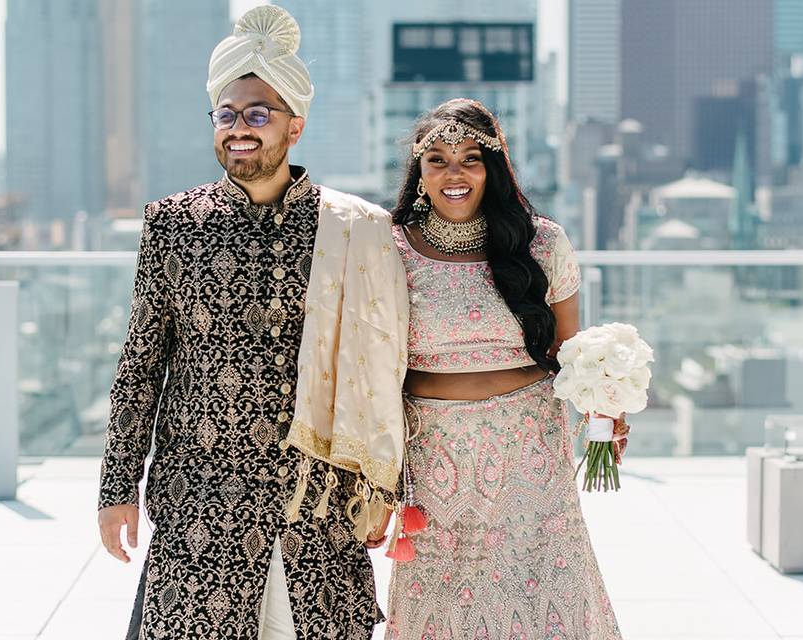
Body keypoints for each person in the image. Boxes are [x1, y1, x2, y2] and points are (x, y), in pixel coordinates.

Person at [96, 6, 408, 639]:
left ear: (295, 127)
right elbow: (140, 367)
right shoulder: (173, 225)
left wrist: (389, 484)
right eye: (227, 114)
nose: (240, 129)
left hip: (317, 499)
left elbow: (387, 369)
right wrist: (116, 488)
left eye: (258, 115)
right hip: (203, 502)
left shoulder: (353, 229)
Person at [378, 99, 625, 639]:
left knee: (540, 588)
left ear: (494, 168)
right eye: (437, 159)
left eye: (471, 158)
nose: (454, 174)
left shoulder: (542, 243)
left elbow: (569, 351)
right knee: (444, 599)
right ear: (418, 173)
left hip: (530, 450)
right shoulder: (389, 248)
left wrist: (606, 403)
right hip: (435, 452)